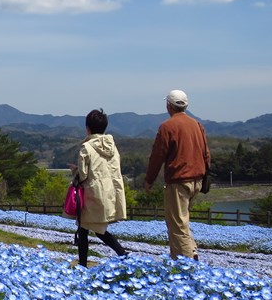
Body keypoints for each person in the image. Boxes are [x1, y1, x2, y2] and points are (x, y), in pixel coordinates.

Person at [144, 89, 211, 261]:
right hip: (197, 179)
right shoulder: (197, 125)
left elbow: (157, 156)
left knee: (176, 225)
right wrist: (206, 176)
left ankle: (185, 262)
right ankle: (192, 250)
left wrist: (149, 180)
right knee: (183, 221)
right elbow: (206, 153)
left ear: (169, 105)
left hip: (179, 181)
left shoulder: (167, 126)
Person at [68, 109, 129, 266]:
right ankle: (121, 254)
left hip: (92, 194)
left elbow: (83, 175)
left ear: (87, 127)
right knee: (96, 227)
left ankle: (84, 264)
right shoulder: (112, 146)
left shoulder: (86, 148)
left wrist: (74, 171)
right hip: (110, 192)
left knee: (86, 229)